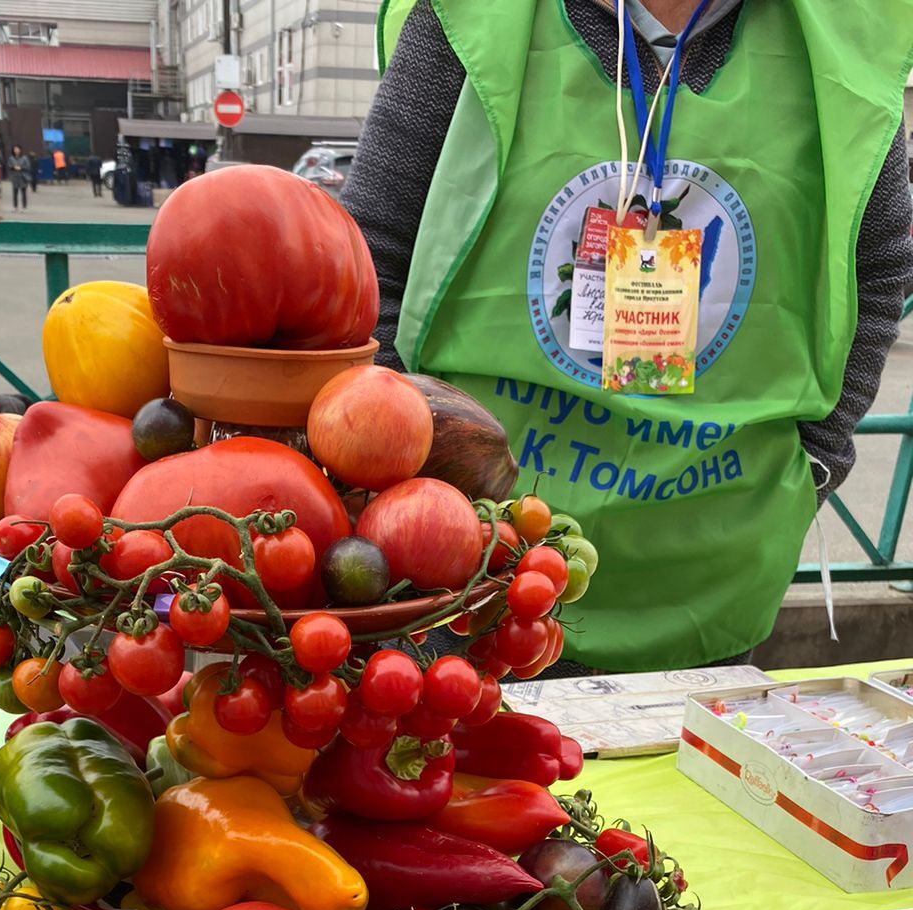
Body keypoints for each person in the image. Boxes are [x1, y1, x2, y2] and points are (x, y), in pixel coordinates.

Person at [344, 0, 913, 674]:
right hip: (466, 576)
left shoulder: (837, 39)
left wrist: (812, 465)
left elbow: (875, 266)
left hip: (712, 590)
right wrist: (410, 490)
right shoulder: (475, 19)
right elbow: (367, 257)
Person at [7, 145, 32, 211]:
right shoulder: (11, 158)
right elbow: (9, 166)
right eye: (15, 149)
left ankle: (24, 207)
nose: (16, 151)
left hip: (23, 176)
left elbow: (28, 166)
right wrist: (13, 167)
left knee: (23, 192)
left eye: (17, 149)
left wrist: (21, 168)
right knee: (15, 192)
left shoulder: (24, 158)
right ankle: (15, 207)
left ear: (20, 150)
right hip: (15, 176)